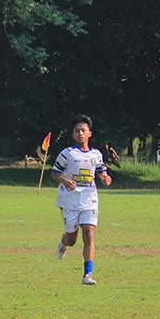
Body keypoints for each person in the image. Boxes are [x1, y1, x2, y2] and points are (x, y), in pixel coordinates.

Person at [52, 114, 113, 285]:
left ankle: (87, 275)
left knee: (89, 234)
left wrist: (105, 178)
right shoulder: (67, 154)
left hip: (89, 200)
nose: (80, 133)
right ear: (72, 134)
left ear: (89, 133)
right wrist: (64, 180)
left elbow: (101, 170)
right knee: (72, 240)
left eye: (83, 130)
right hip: (69, 201)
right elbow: (55, 173)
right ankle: (63, 242)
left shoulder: (96, 154)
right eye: (77, 131)